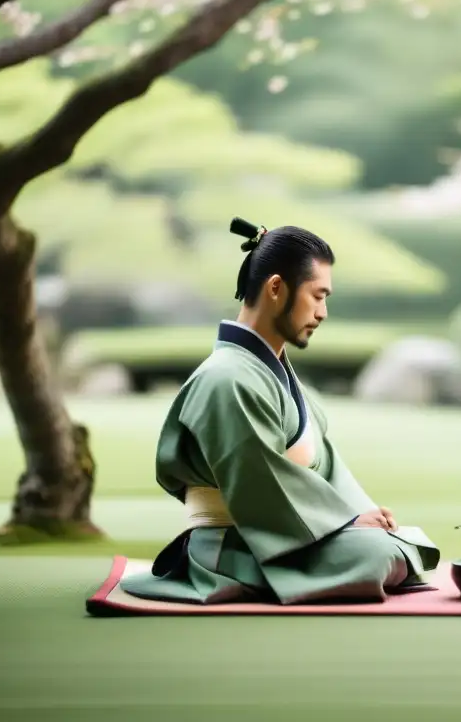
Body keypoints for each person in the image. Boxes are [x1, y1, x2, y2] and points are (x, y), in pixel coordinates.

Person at [120, 217, 440, 605]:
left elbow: (327, 465)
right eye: (317, 295)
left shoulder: (266, 371)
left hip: (290, 532)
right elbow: (259, 480)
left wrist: (364, 512)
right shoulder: (227, 379)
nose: (322, 312)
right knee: (380, 555)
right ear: (276, 287)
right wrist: (348, 522)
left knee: (396, 543)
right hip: (234, 545)